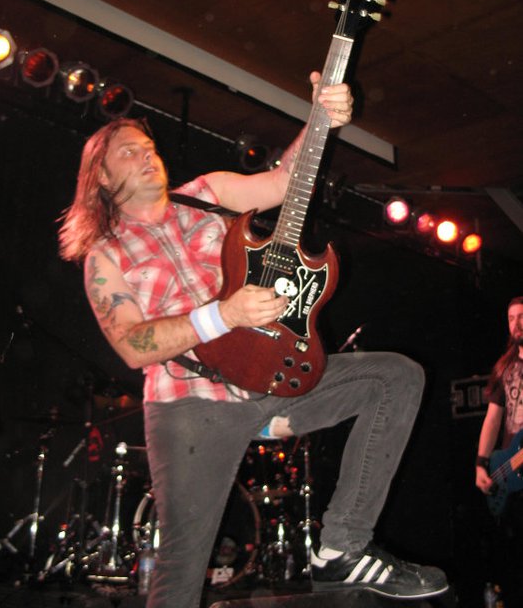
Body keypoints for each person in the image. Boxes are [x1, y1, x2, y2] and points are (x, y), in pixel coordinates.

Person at [58, 72, 448, 607]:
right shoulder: (106, 254)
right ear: (101, 177)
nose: (147, 156)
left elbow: (286, 181)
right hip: (191, 405)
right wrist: (223, 314)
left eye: (149, 147)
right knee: (180, 574)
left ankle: (342, 547)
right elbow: (130, 344)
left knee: (396, 377)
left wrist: (321, 116)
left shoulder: (208, 193)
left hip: (272, 376)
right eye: (129, 152)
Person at [475, 296, 523, 608]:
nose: (517, 324)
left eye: (522, 316)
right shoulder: (505, 367)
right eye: (511, 318)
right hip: (510, 467)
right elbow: (493, 418)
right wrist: (481, 463)